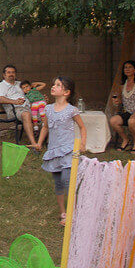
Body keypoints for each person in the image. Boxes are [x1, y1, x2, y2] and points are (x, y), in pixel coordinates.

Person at [33, 76, 86, 225]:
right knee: (58, 183)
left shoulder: (72, 110)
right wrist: (39, 143)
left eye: (58, 85)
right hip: (53, 150)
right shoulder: (48, 109)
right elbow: (45, 127)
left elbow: (82, 127)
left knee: (67, 180)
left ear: (66, 92)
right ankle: (63, 212)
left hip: (68, 150)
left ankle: (72, 212)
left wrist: (82, 143)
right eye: (54, 84)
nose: (53, 87)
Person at [110, 60, 135, 153]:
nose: (127, 69)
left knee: (132, 121)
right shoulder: (123, 85)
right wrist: (116, 101)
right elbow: (123, 100)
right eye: (125, 67)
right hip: (129, 112)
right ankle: (125, 140)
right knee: (113, 121)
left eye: (130, 67)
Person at [0, 64, 36, 145]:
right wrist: (15, 102)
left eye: (13, 72)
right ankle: (33, 144)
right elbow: (1, 99)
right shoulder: (1, 86)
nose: (11, 74)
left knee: (47, 112)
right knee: (26, 114)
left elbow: (30, 93)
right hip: (14, 110)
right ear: (4, 75)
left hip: (29, 106)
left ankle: (46, 140)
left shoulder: (20, 84)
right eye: (9, 72)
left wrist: (39, 98)